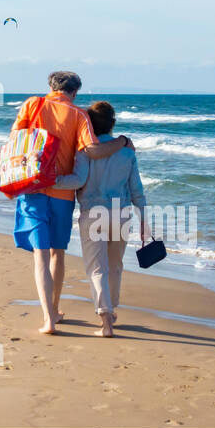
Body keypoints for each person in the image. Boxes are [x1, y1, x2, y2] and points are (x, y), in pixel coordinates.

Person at [9, 71, 131, 335]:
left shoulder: (32, 104)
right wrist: (123, 142)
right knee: (57, 253)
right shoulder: (79, 115)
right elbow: (94, 151)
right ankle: (56, 308)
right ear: (74, 92)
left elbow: (15, 141)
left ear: (50, 87)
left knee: (40, 255)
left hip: (33, 189)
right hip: (63, 197)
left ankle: (49, 319)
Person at [51, 101, 148, 338]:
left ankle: (105, 321)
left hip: (93, 213)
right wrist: (144, 218)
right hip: (122, 213)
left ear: (89, 125)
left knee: (97, 269)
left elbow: (77, 180)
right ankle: (112, 311)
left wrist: (51, 181)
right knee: (115, 266)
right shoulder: (127, 152)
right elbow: (136, 189)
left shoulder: (84, 151)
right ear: (112, 124)